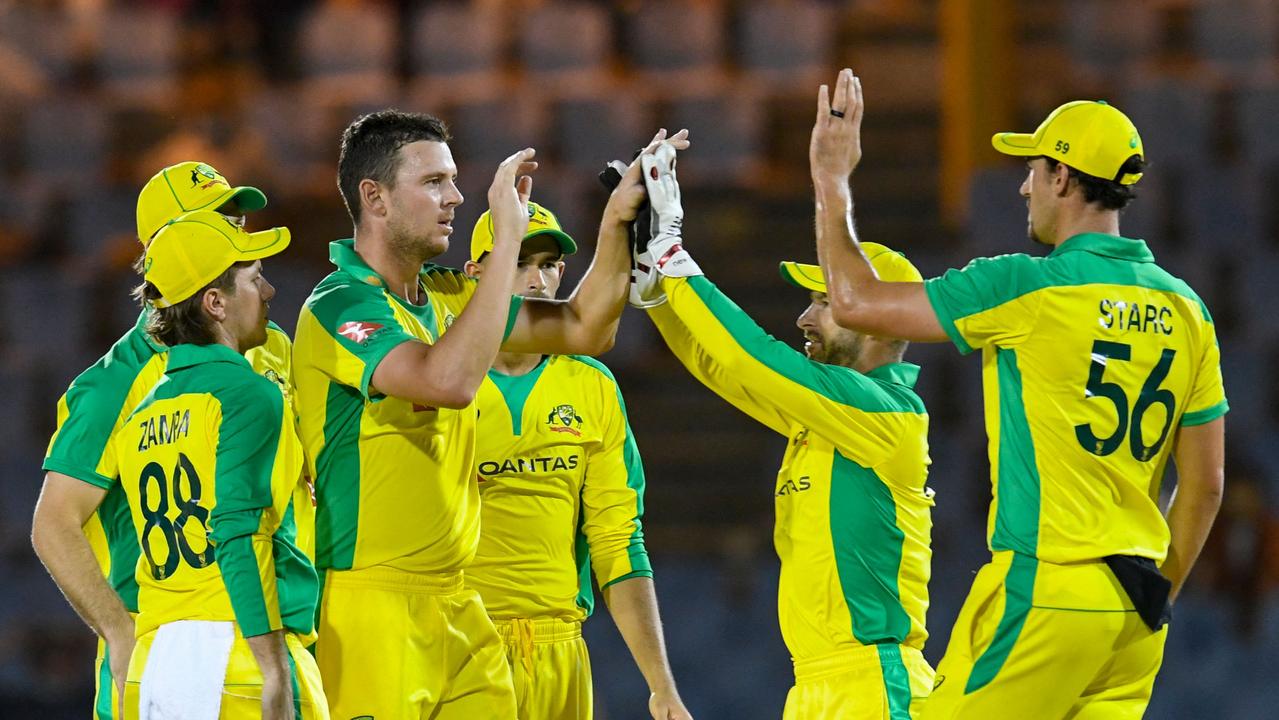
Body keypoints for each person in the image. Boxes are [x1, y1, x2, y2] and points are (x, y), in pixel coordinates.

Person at [808, 69, 1227, 718]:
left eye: (1032, 168)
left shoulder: (1026, 288)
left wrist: (831, 180)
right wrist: (1151, 600)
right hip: (1135, 612)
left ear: (1062, 178)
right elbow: (1204, 486)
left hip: (1048, 590)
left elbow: (854, 303)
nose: (1023, 184)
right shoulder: (1188, 309)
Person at [291, 109, 686, 719]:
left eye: (453, 180)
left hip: (456, 605)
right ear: (375, 198)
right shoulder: (341, 305)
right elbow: (446, 381)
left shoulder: (444, 296)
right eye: (432, 183)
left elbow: (583, 327)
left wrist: (618, 221)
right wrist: (505, 241)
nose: (454, 198)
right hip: (371, 601)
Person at [627, 141, 936, 718]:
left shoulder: (885, 414)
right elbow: (721, 368)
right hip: (814, 687)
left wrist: (673, 254)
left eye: (823, 301)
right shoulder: (830, 414)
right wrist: (654, 289)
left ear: (877, 317)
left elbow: (751, 357)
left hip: (873, 684)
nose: (803, 317)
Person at [31, 162, 299, 719]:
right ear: (165, 249)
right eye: (218, 221)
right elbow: (53, 523)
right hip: (173, 650)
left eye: (236, 219)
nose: (237, 234)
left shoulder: (270, 345)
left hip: (268, 628)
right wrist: (120, 633)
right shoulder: (114, 383)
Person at [463, 202, 692, 720]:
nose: (537, 280)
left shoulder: (590, 386)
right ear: (476, 273)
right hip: (456, 642)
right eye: (518, 262)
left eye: (547, 264)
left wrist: (662, 688)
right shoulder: (438, 377)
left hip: (560, 649)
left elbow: (618, 539)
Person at [111, 210, 324, 719]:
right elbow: (236, 533)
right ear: (215, 304)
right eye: (254, 279)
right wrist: (273, 667)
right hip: (239, 656)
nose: (269, 290)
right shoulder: (249, 393)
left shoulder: (144, 411)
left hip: (157, 661)